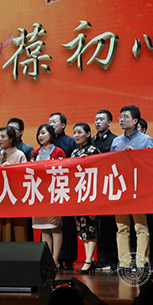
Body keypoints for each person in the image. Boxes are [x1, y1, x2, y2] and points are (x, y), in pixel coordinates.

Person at [110, 105, 153, 274]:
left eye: (125, 116)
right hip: (121, 189)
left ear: (135, 120)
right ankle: (124, 263)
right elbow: (110, 165)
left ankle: (141, 263)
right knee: (122, 227)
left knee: (140, 227)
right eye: (120, 117)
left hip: (139, 189)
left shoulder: (146, 140)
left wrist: (135, 155)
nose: (121, 119)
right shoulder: (116, 142)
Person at [31, 124, 66, 266]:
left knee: (54, 227)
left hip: (53, 192)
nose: (40, 136)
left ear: (51, 135)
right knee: (44, 228)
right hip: (39, 193)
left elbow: (64, 171)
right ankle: (48, 261)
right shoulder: (34, 153)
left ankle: (55, 259)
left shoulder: (58, 151)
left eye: (43, 133)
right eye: (39, 133)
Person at [48, 112, 78, 270]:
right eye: (49, 122)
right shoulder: (46, 143)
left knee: (67, 225)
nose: (51, 124)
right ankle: (51, 258)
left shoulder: (70, 142)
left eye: (54, 121)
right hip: (49, 190)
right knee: (50, 225)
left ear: (63, 125)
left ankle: (68, 258)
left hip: (66, 188)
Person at [70, 123, 101, 274]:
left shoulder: (94, 150)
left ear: (88, 134)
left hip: (91, 194)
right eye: (74, 133)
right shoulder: (74, 152)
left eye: (79, 132)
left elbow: (101, 169)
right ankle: (89, 260)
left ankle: (89, 260)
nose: (76, 135)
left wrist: (88, 161)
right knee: (82, 228)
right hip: (78, 194)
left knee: (91, 226)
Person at [92, 110, 119, 271]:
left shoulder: (115, 140)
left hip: (109, 187)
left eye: (101, 119)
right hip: (94, 188)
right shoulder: (91, 141)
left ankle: (114, 259)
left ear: (109, 122)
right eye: (96, 119)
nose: (98, 122)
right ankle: (101, 259)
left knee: (110, 225)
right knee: (97, 226)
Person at [0, 125, 28, 242]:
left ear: (11, 138)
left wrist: (12, 169)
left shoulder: (20, 154)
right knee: (1, 226)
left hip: (15, 197)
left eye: (3, 136)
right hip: (1, 196)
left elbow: (26, 175)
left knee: (17, 227)